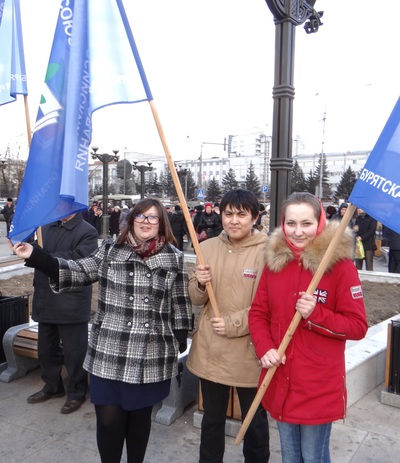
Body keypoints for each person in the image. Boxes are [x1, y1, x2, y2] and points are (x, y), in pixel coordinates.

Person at [12, 198, 192, 463]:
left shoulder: (174, 257)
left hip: (150, 354)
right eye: (140, 216)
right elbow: (78, 271)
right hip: (109, 350)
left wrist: (180, 337)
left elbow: (180, 302)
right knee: (108, 420)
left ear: (161, 223)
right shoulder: (110, 249)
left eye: (152, 217)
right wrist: (36, 256)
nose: (146, 222)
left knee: (139, 420)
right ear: (131, 220)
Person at [248, 192, 368, 463]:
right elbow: (258, 314)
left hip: (317, 385)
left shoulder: (340, 266)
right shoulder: (274, 263)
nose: (298, 232)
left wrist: (317, 314)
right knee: (290, 456)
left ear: (320, 223)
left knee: (313, 456)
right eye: (291, 223)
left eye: (306, 224)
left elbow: (358, 326)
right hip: (280, 378)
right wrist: (265, 348)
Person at [187, 189, 270, 463]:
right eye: (228, 214)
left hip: (250, 353)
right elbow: (196, 299)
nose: (234, 221)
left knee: (255, 423)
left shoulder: (268, 252)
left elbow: (269, 307)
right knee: (211, 421)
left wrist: (233, 323)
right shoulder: (207, 247)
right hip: (211, 350)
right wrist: (200, 283)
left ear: (255, 217)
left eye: (241, 215)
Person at [26, 213, 98, 414]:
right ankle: (52, 386)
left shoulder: (88, 231)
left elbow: (79, 261)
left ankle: (76, 392)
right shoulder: (45, 227)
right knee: (46, 350)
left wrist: (41, 256)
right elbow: (34, 252)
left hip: (71, 302)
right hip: (45, 299)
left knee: (75, 354)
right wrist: (28, 249)